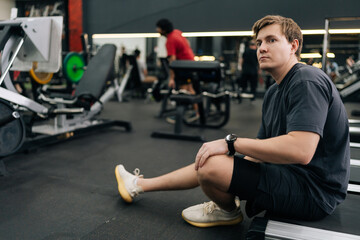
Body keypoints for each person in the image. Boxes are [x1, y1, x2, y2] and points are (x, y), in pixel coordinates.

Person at [115, 15, 350, 227]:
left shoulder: (306, 79)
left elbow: (301, 150)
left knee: (212, 163)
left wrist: (230, 144)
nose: (261, 48)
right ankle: (138, 184)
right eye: (259, 43)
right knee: (209, 158)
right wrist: (228, 169)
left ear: (293, 45)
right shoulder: (273, 93)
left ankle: (226, 211)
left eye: (271, 40)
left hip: (315, 192)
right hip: (289, 174)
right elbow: (258, 150)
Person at [155, 18, 199, 123]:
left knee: (183, 90)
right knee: (189, 89)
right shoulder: (177, 32)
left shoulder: (170, 40)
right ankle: (196, 112)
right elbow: (187, 43)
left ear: (164, 29)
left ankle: (181, 116)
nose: (157, 30)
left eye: (158, 28)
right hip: (190, 63)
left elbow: (172, 62)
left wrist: (172, 78)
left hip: (183, 66)